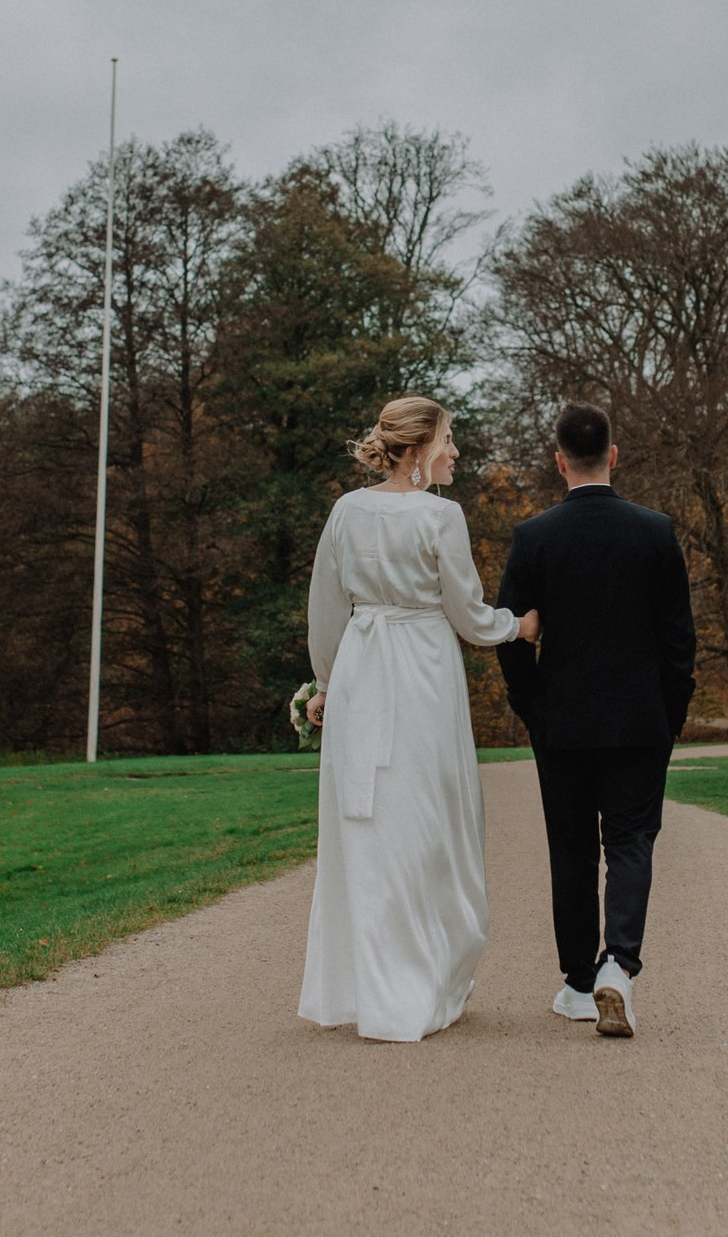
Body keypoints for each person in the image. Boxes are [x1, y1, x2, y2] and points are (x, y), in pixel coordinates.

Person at [299, 396, 540, 1042]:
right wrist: (516, 624)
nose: (455, 452)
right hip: (423, 674)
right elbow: (466, 611)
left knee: (368, 823)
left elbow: (327, 607)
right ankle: (423, 979)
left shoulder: (347, 511)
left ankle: (370, 986)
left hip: (362, 671)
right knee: (434, 822)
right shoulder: (441, 516)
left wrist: (326, 683)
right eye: (448, 440)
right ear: (417, 449)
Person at [494, 402, 696, 1038]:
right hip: (641, 721)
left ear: (559, 461)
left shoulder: (534, 537)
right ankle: (620, 968)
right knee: (631, 844)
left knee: (573, 849)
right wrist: (671, 717)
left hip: (563, 723)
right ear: (613, 455)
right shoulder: (655, 532)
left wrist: (533, 706)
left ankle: (580, 985)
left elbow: (508, 634)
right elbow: (679, 643)